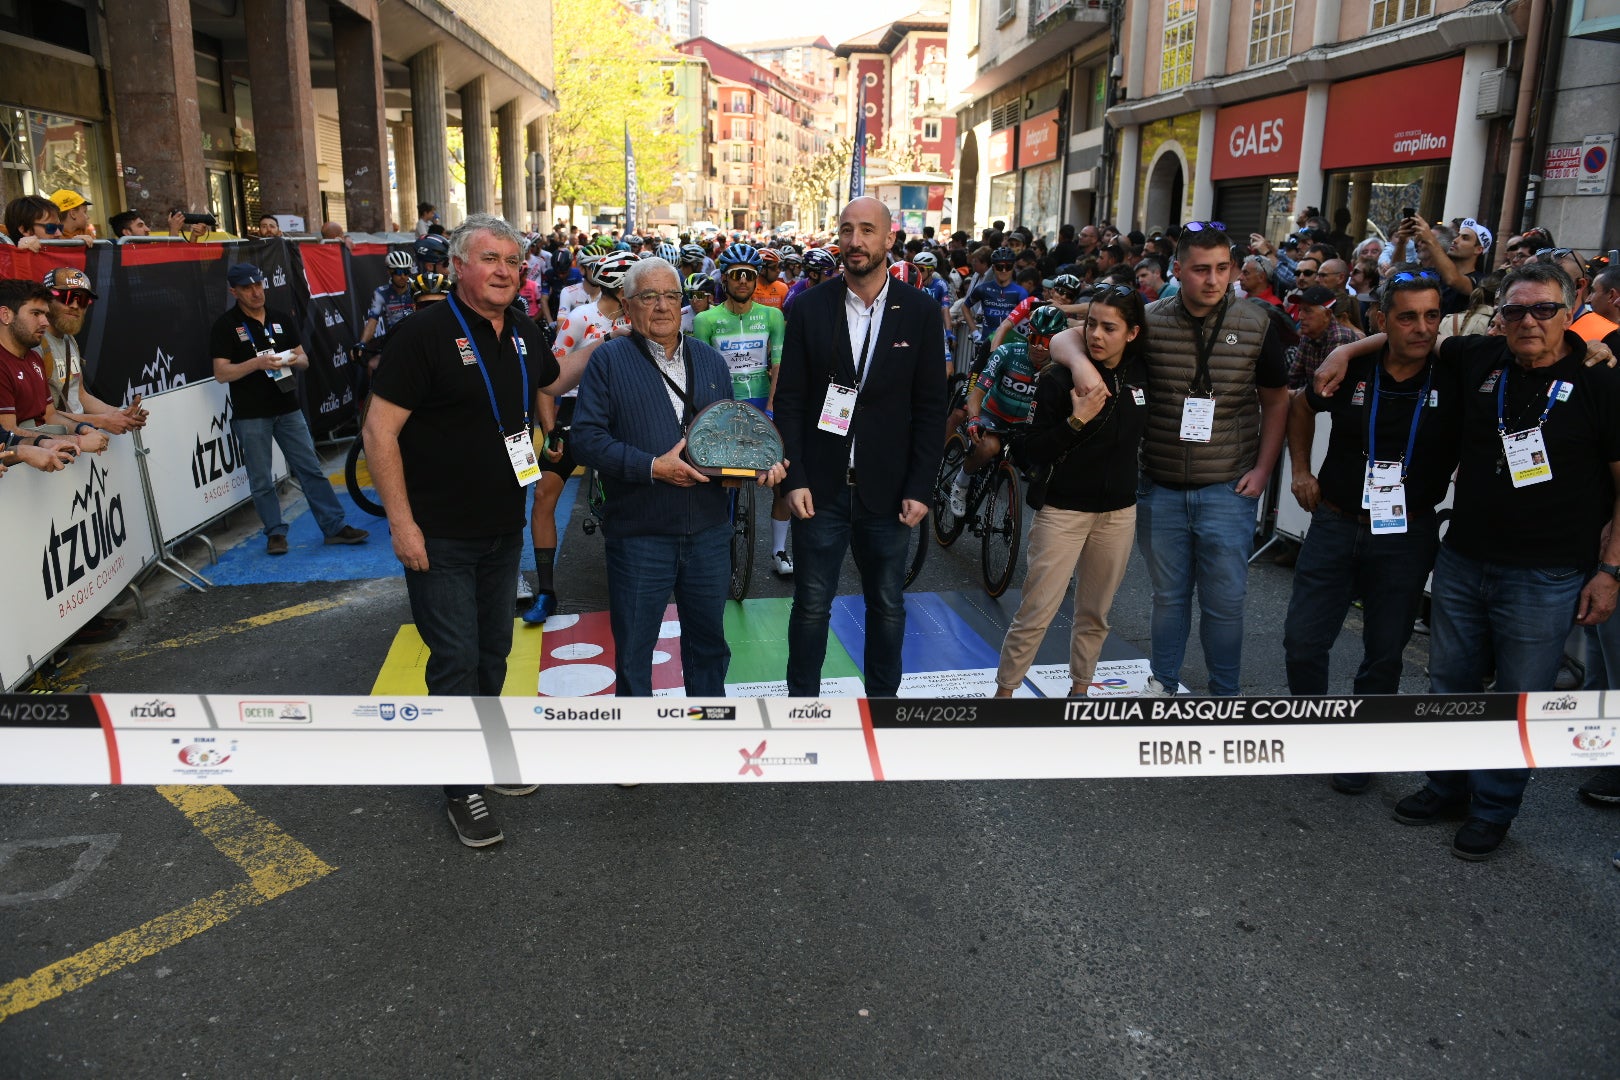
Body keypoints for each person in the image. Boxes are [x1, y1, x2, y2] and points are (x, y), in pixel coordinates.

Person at [1317, 260, 1620, 859]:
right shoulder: (1479, 358)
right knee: (1450, 682)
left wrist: (1610, 571)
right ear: (1498, 315)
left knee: (1517, 698)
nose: (1528, 322)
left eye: (1543, 310)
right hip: (1462, 561)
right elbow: (1413, 333)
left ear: (1570, 311)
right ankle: (1446, 786)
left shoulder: (1599, 380)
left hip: (1548, 573)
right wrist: (1346, 354)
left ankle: (1494, 810)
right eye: (1514, 310)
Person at [364, 213, 590, 849]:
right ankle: (459, 782)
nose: (503, 271)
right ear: (459, 265)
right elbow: (378, 433)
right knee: (455, 658)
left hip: (501, 528)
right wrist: (402, 524)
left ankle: (489, 755)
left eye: (513, 262)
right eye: (489, 259)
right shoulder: (423, 334)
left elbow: (552, 379)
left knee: (494, 653)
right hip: (437, 533)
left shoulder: (521, 328)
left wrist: (609, 340)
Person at [1070, 221, 1289, 696]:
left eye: (1222, 269)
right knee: (1168, 598)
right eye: (1200, 270)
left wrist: (1264, 471)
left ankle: (1225, 694)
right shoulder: (1148, 319)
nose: (1213, 280)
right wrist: (1081, 364)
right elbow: (1075, 337)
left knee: (1225, 602)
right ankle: (1164, 683)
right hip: (1160, 485)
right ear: (1178, 270)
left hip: (1228, 487)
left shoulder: (1257, 323)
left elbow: (1277, 399)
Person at [572, 257, 786, 697]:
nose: (662, 307)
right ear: (628, 307)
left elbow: (728, 437)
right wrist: (652, 467)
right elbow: (587, 441)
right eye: (649, 297)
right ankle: (643, 750)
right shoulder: (609, 361)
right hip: (639, 534)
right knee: (634, 653)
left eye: (671, 296)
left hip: (709, 532)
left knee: (709, 647)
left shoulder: (710, 361)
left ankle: (707, 737)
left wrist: (755, 466)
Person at [1283, 269, 1459, 794]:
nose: (1422, 328)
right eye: (1407, 317)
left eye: (1432, 316)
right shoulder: (1354, 366)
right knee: (1302, 641)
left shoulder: (1454, 370)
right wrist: (1299, 471)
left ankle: (1361, 745)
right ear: (1382, 320)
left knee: (1384, 652)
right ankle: (1311, 729)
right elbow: (1299, 406)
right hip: (1335, 521)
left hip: (1406, 533)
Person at [773, 196, 947, 697]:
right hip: (820, 490)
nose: (855, 241)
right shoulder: (807, 307)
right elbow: (791, 402)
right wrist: (795, 478)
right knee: (809, 605)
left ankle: (883, 707)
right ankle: (802, 705)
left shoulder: (919, 312)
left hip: (889, 492)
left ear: (889, 239)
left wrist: (921, 486)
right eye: (847, 230)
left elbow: (932, 409)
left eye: (867, 230)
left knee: (888, 604)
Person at [995, 287, 1151, 698]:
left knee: (1095, 613)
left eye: (1109, 327)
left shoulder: (1142, 369)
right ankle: (1005, 695)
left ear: (1132, 333)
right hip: (1063, 511)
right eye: (1092, 325)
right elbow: (1028, 451)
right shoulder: (1058, 378)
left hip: (1118, 512)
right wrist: (1076, 421)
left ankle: (1080, 692)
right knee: (1035, 611)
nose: (1096, 335)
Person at [209, 264, 370, 555]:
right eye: (247, 288)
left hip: (288, 407)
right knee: (261, 478)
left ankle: (334, 527)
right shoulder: (225, 325)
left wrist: (290, 360)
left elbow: (305, 359)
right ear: (234, 291)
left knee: (310, 468)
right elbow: (221, 373)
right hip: (251, 413)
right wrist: (256, 364)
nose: (256, 292)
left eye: (258, 284)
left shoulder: (281, 318)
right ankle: (275, 533)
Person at [524, 250, 637, 623]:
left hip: (621, 414)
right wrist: (550, 429)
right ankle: (545, 590)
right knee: (542, 495)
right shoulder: (580, 318)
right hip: (576, 412)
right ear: (620, 289)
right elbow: (546, 381)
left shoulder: (641, 321)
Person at [690, 243, 793, 575]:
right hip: (723, 408)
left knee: (782, 482)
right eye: (736, 276)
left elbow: (779, 366)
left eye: (750, 275)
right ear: (724, 279)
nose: (744, 282)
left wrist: (774, 408)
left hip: (763, 404)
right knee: (719, 484)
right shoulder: (706, 320)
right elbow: (701, 373)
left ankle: (779, 551)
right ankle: (717, 546)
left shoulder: (772, 316)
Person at [945, 305, 1067, 519]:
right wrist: (973, 418)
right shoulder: (1007, 352)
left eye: (1047, 342)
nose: (1039, 347)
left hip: (1024, 424)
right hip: (992, 414)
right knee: (990, 446)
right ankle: (961, 482)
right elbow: (977, 393)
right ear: (1028, 335)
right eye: (1035, 339)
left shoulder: (1060, 367)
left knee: (1035, 468)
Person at [1286, 285, 1364, 390]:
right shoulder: (1307, 336)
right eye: (1300, 310)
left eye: (1307, 311)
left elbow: (1326, 389)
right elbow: (1292, 378)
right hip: (1315, 399)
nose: (1300, 316)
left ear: (1327, 314)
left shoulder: (1340, 338)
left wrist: (1293, 394)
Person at [361, 251, 418, 345]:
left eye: (406, 272)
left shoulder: (417, 289)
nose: (403, 276)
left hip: (416, 339)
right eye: (398, 272)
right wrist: (362, 343)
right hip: (395, 341)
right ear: (389, 272)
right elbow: (372, 322)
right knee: (374, 360)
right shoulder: (381, 293)